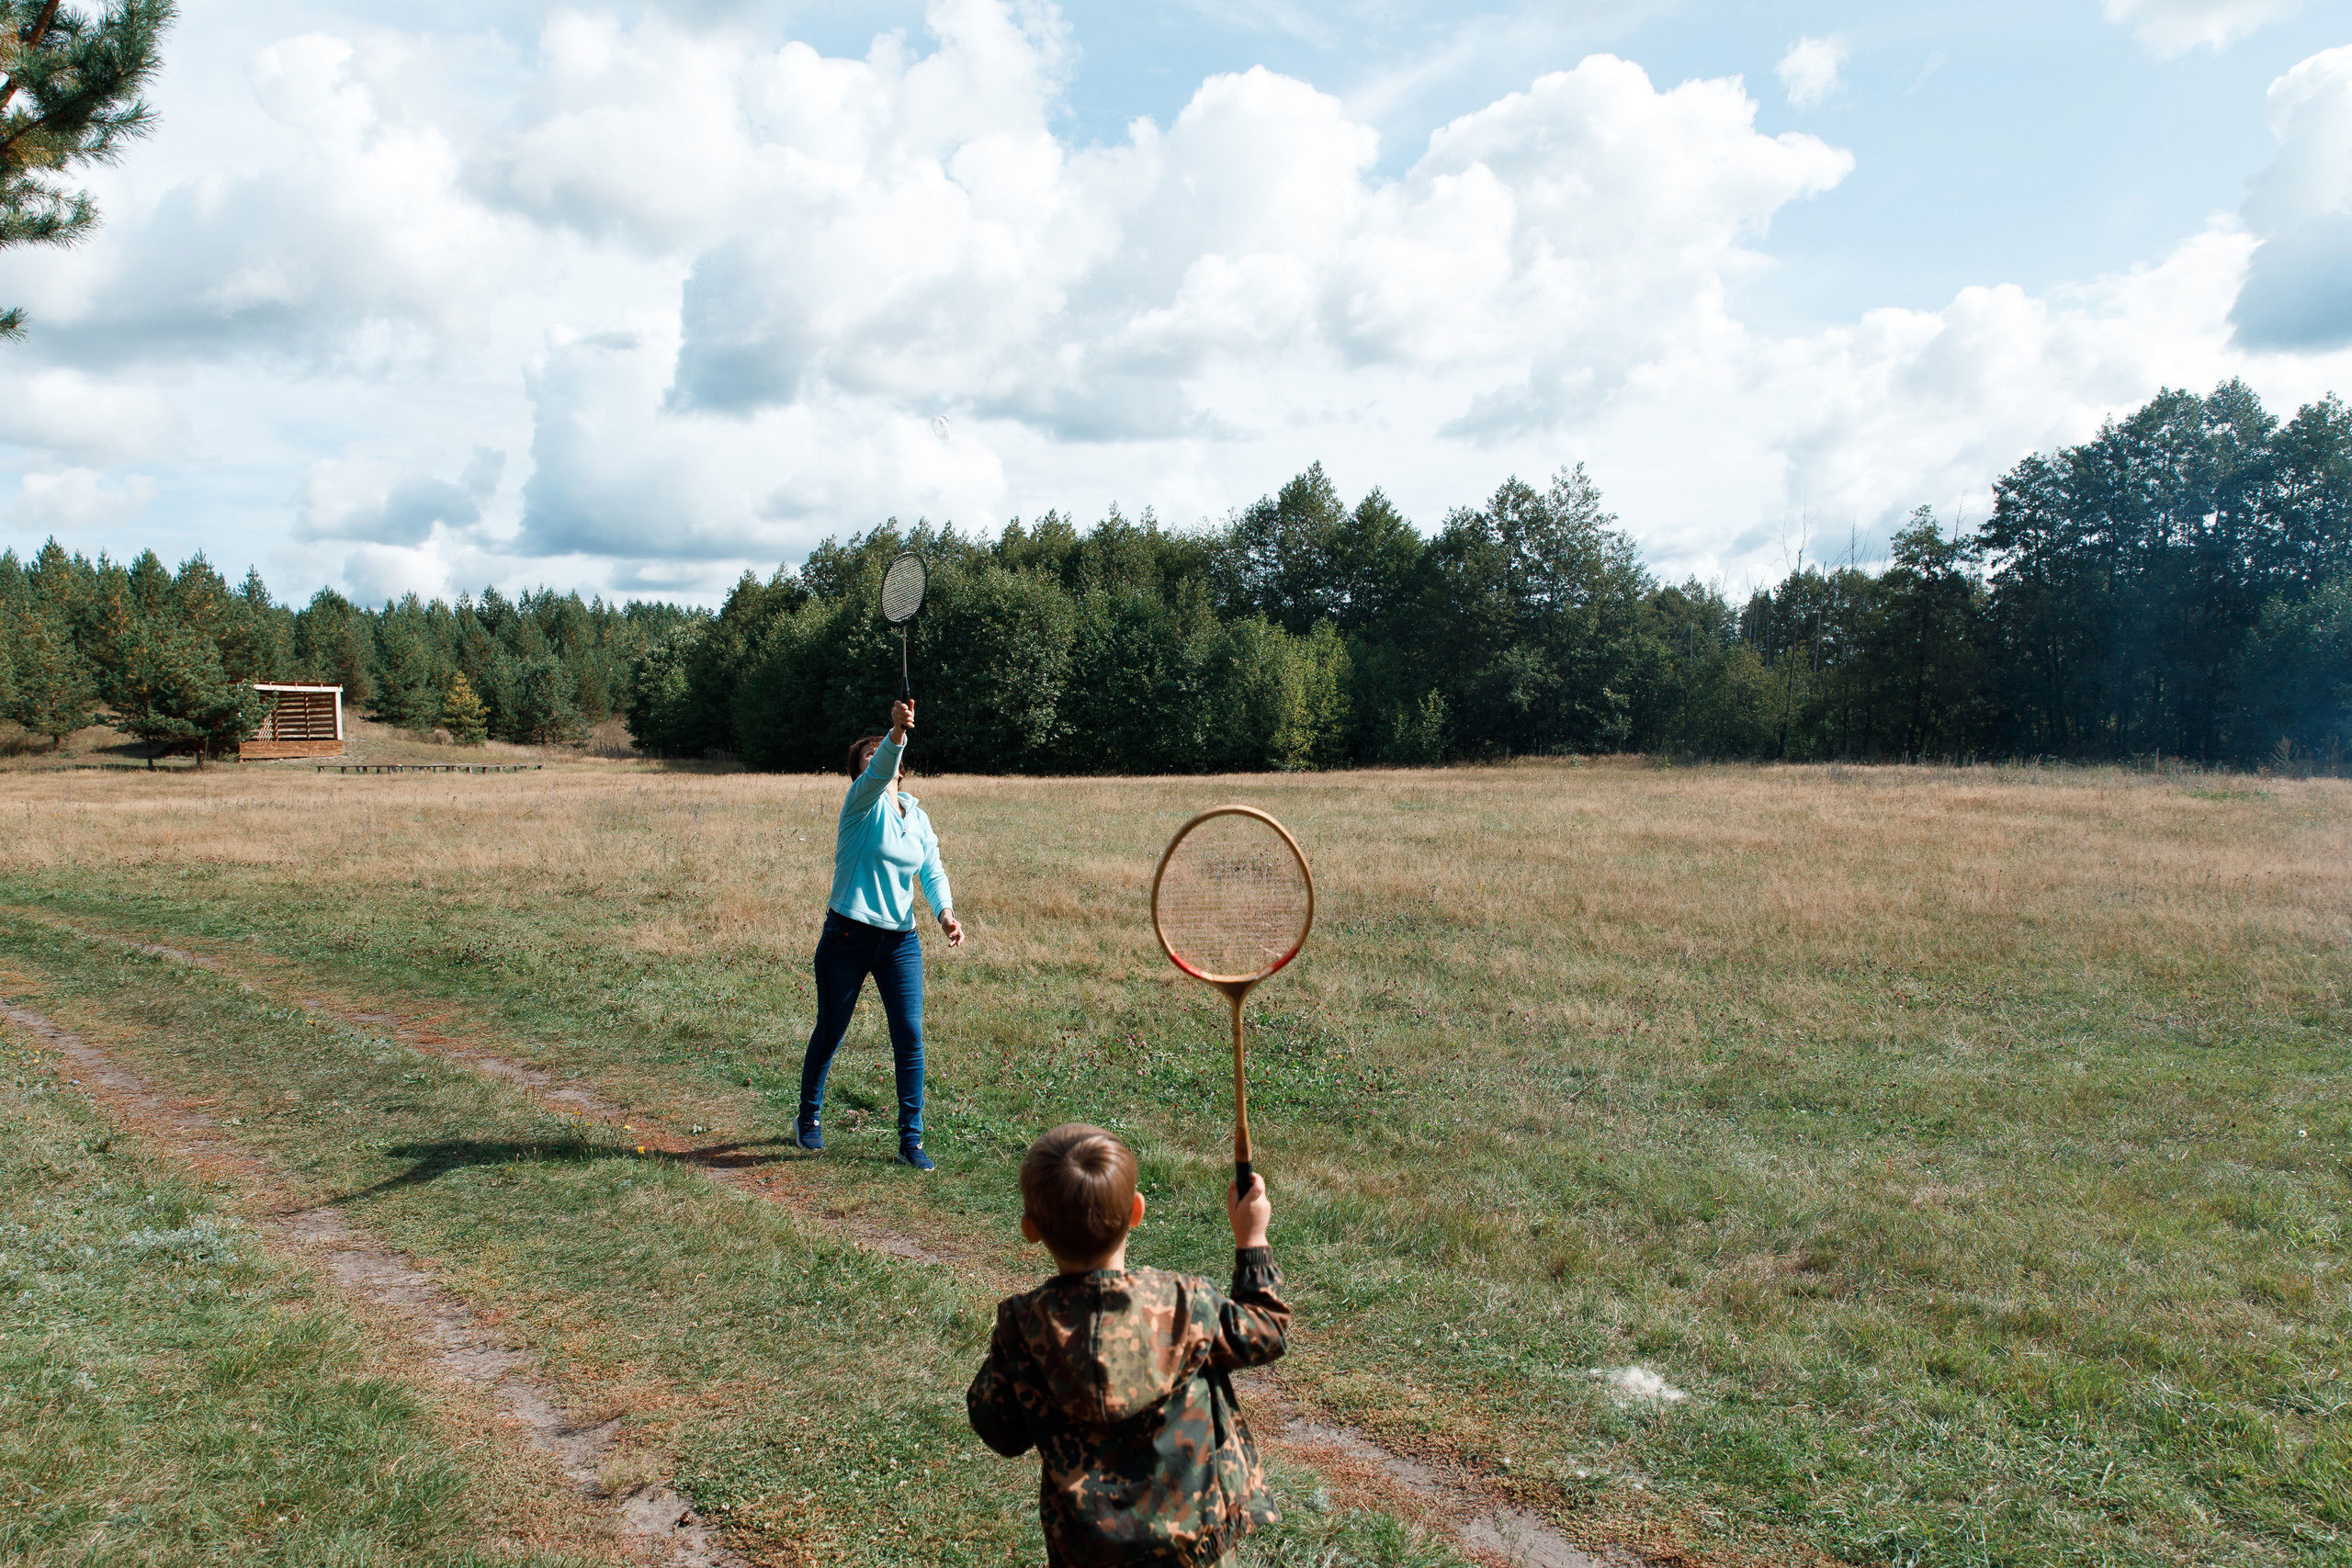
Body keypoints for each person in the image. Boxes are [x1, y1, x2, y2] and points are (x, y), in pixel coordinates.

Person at [967, 1124, 1289, 1567]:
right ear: (1137, 1211)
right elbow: (1267, 1330)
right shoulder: (1184, 1305)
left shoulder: (1021, 1330)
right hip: (1195, 1554)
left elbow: (999, 1430)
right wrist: (1251, 1240)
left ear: (1031, 1229)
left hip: (1084, 1556)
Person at [795, 697, 965, 1171]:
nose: (878, 760)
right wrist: (894, 733)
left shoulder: (917, 815)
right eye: (867, 757)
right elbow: (877, 769)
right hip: (847, 936)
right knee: (832, 1028)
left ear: (903, 771)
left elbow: (931, 870)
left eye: (884, 754)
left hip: (900, 942)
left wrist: (945, 913)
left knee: (909, 1035)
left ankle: (911, 1140)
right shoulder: (861, 804)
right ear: (860, 774)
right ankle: (808, 1117)